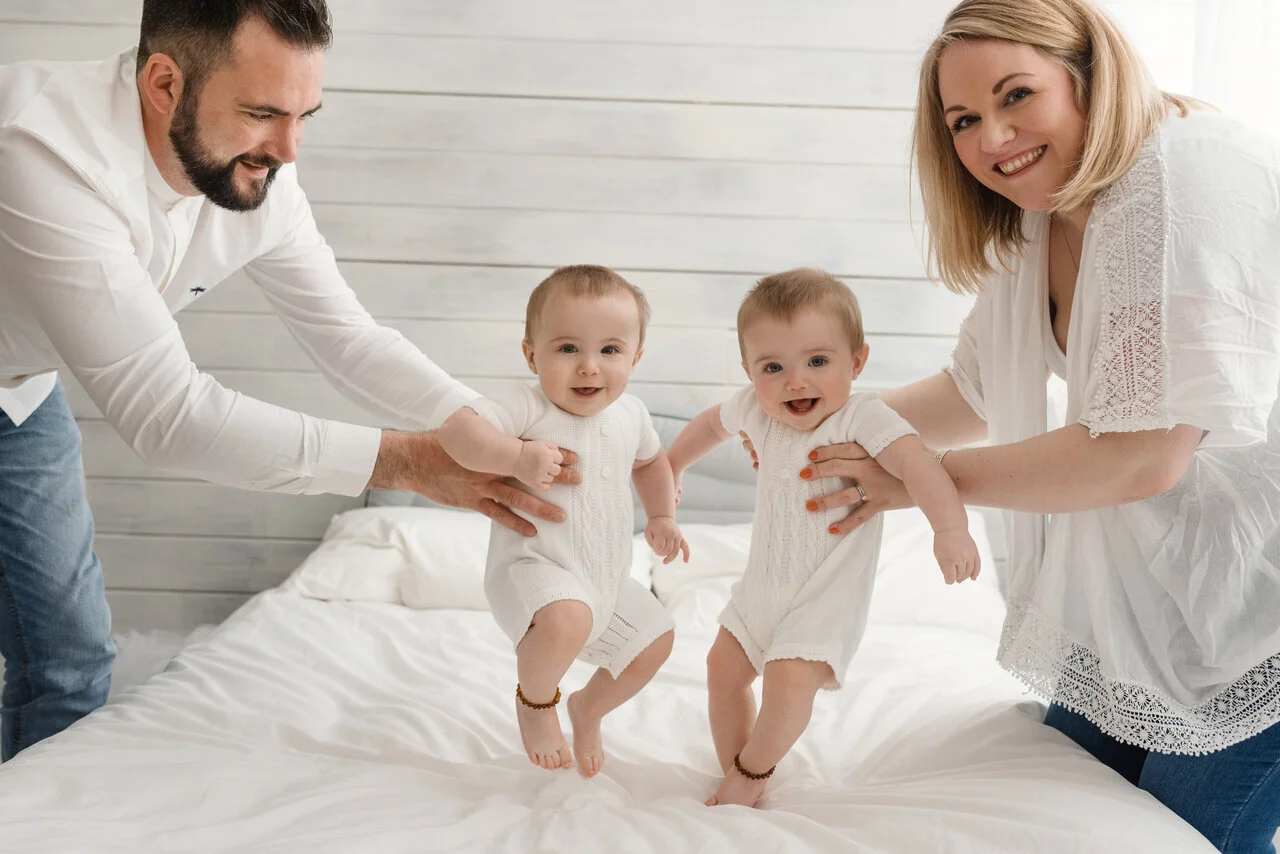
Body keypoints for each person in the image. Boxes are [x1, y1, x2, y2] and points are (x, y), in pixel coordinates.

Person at [760, 1, 1280, 849]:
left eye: (1017, 96)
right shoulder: (1042, 217)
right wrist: (811, 432)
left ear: (1087, 78)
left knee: (1185, 835)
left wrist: (916, 482)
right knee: (1056, 813)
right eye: (964, 119)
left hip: (1260, 604)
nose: (992, 137)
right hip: (1155, 600)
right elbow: (968, 392)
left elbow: (1143, 456)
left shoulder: (1191, 177)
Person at [0, 0, 577, 761]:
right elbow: (170, 417)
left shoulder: (255, 172)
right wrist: (410, 461)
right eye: (262, 113)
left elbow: (345, 335)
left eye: (305, 114)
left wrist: (474, 421)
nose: (289, 148)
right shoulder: (40, 150)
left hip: (18, 392)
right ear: (164, 82)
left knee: (71, 665)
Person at [665, 268, 980, 808]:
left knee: (789, 681)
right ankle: (735, 763)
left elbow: (920, 466)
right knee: (722, 669)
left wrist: (950, 528)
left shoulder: (864, 417)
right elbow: (709, 424)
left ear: (856, 361)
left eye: (817, 361)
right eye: (773, 367)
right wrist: (671, 467)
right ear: (748, 370)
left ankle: (750, 772)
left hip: (825, 596)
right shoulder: (753, 408)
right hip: (760, 590)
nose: (795, 381)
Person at [439, 265, 687, 778]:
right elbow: (455, 432)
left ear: (635, 358)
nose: (589, 368)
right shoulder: (525, 405)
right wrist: (513, 457)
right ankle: (536, 704)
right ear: (533, 354)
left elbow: (650, 463)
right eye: (568, 349)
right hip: (535, 568)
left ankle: (588, 710)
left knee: (657, 640)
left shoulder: (632, 414)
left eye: (610, 351)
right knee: (567, 618)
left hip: (606, 580)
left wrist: (662, 513)